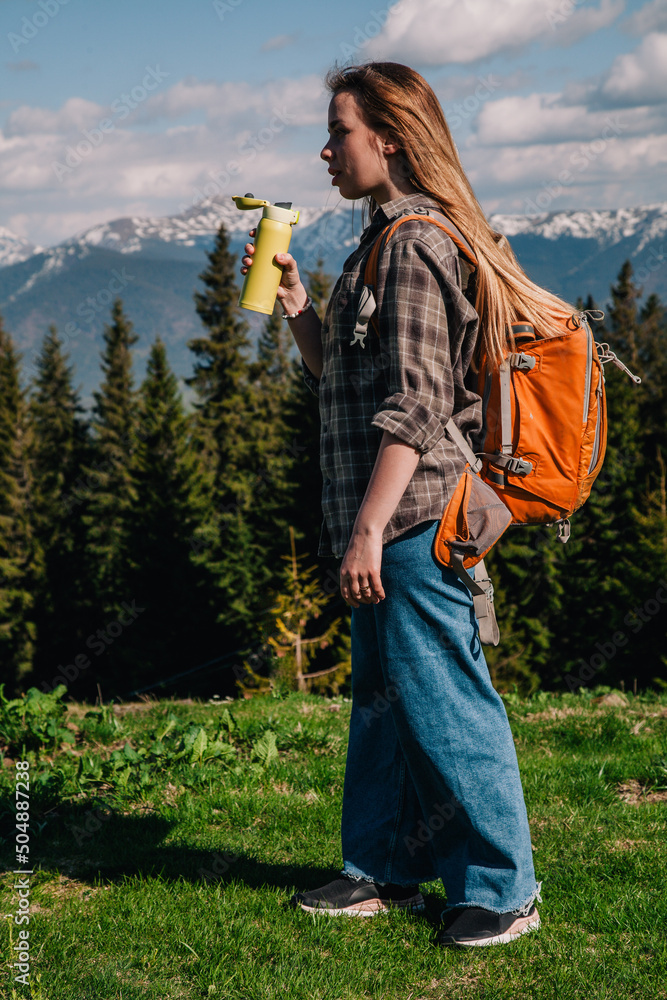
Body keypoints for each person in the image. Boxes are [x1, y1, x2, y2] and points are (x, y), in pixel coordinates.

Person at [241, 61, 572, 947]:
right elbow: (341, 379)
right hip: (392, 520)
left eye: (337, 131)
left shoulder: (418, 241)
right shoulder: (378, 242)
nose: (324, 149)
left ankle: (505, 891)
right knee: (385, 703)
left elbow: (419, 407)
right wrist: (301, 307)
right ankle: (381, 868)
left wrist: (367, 529)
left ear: (387, 136)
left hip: (417, 520)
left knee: (445, 700)